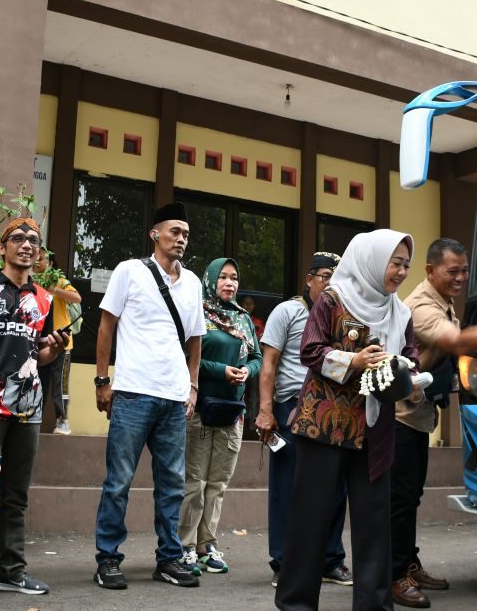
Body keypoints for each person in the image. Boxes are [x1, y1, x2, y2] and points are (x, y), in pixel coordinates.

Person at [274, 229, 419, 611]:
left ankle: (373, 606)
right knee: (311, 521)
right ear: (372, 260)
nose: (402, 271)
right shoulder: (331, 299)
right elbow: (310, 350)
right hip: (325, 424)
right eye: (395, 262)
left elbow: (412, 360)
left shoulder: (400, 312)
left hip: (375, 432)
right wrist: (354, 360)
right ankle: (296, 604)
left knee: (374, 526)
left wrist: (409, 377)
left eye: (406, 264)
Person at [392, 238, 477, 608]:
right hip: (398, 419)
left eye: (465, 270)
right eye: (453, 271)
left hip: (417, 417)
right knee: (399, 500)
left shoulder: (443, 304)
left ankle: (408, 563)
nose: (462, 278)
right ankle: (393, 575)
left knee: (411, 496)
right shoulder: (420, 305)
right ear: (430, 271)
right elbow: (458, 340)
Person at [93, 201, 205, 590]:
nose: (181, 239)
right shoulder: (129, 271)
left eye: (186, 235)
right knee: (119, 480)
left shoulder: (192, 282)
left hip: (174, 397)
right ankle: (108, 558)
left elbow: (195, 341)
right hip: (132, 393)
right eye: (174, 231)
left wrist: (192, 387)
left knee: (173, 482)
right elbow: (106, 326)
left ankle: (169, 559)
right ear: (155, 233)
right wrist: (101, 379)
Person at [0, 217, 69, 602]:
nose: (26, 245)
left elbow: (38, 354)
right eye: (17, 238)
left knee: (16, 494)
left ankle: (12, 571)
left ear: (39, 254)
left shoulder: (44, 298)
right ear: (2, 247)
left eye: (33, 241)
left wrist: (50, 351)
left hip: (28, 406)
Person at [254, 252, 353, 588]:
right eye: (325, 275)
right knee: (289, 488)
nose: (330, 282)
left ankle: (330, 559)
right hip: (291, 406)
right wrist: (266, 410)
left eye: (336, 276)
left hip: (334, 408)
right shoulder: (288, 311)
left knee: (336, 486)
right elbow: (269, 364)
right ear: (309, 278)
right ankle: (285, 561)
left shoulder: (342, 314)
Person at [178, 258, 262, 576]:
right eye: (223, 277)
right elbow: (188, 355)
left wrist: (246, 371)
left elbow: (256, 356)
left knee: (218, 483)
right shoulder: (197, 310)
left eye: (234, 278)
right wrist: (221, 371)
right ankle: (185, 545)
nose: (230, 283)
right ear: (211, 280)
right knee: (195, 482)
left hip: (231, 412)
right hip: (201, 409)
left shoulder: (242, 318)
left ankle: (206, 545)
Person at [35, 250, 80, 435]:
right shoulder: (32, 282)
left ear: (51, 263)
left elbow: (77, 298)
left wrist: (56, 291)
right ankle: (33, 420)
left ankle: (63, 420)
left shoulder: (59, 280)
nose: (37, 260)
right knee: (38, 383)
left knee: (59, 384)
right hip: (39, 342)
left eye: (41, 258)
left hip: (61, 342)